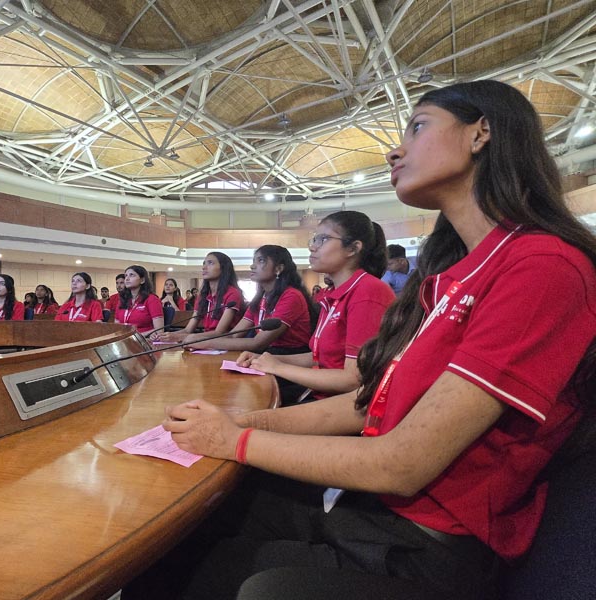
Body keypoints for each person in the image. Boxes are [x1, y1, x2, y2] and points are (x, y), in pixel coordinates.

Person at [131, 80, 596, 600]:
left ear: (480, 133)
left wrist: (233, 439)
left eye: (418, 128)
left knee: (223, 575)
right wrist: (242, 421)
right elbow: (368, 404)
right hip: (371, 510)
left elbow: (403, 464)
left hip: (424, 543)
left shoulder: (541, 266)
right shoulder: (451, 277)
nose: (395, 151)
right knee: (177, 539)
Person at [236, 211, 395, 403]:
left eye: (323, 239)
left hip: (346, 404)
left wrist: (278, 367)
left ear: (353, 248)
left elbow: (353, 379)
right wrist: (264, 359)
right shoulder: (332, 295)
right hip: (320, 393)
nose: (312, 247)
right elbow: (318, 358)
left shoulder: (367, 291)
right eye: (314, 239)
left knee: (251, 412)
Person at [182, 245, 315, 356]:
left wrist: (204, 342)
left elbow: (258, 342)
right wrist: (198, 339)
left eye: (260, 261)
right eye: (253, 261)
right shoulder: (261, 298)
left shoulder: (291, 296)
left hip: (289, 356)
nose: (252, 266)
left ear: (278, 269)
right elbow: (234, 335)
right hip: (267, 354)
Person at [159, 252, 244, 343]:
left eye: (210, 263)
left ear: (223, 268)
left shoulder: (232, 293)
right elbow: (188, 330)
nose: (204, 267)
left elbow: (219, 332)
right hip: (206, 342)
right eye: (204, 263)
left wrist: (183, 337)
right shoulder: (202, 296)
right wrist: (167, 336)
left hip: (225, 343)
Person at [115, 265, 164, 336]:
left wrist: (136, 336)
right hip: (125, 339)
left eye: (131, 275)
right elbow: (116, 327)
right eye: (126, 276)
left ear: (142, 280)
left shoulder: (152, 299)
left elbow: (159, 330)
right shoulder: (122, 300)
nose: (127, 279)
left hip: (144, 340)